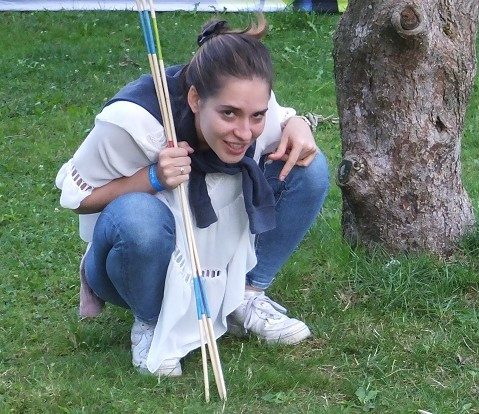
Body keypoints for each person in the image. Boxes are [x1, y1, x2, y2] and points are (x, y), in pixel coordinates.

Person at [56, 16, 330, 377]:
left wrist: (298, 124)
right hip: (125, 264)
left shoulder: (246, 100)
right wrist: (152, 177)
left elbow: (281, 120)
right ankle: (151, 321)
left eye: (257, 115)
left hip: (214, 258)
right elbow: (78, 198)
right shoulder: (133, 120)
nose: (244, 132)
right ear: (196, 98)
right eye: (229, 114)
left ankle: (244, 296)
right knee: (138, 216)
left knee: (308, 166)